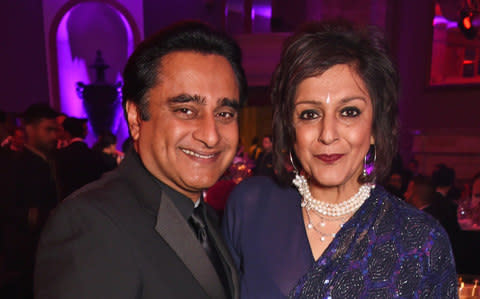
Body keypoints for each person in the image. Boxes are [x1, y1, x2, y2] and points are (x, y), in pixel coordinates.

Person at [222, 20, 457, 298]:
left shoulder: (421, 241)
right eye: (310, 114)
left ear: (375, 127)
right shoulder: (251, 207)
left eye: (349, 112)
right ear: (290, 127)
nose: (328, 134)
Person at [35, 21, 247, 299]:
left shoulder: (204, 216)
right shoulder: (91, 224)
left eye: (224, 114)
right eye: (186, 110)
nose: (211, 135)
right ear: (135, 118)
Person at [4, 103, 58, 298]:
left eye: (55, 130)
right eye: (48, 130)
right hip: (26, 257)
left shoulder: (50, 161)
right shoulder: (17, 166)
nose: (54, 136)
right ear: (30, 129)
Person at [54, 117, 104, 200]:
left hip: (68, 201)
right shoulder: (95, 154)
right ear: (84, 133)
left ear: (66, 132)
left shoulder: (61, 155)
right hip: (91, 200)